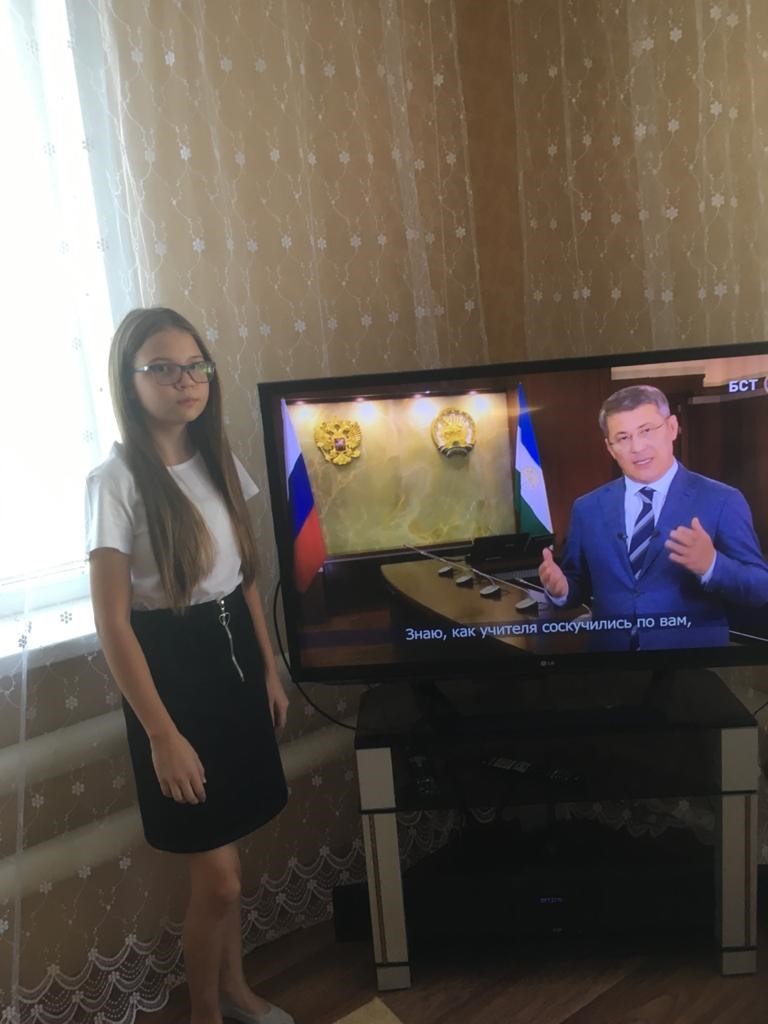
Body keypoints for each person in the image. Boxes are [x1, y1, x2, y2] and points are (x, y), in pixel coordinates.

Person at [86, 307, 294, 1024]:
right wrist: (162, 735)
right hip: (171, 683)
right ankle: (206, 1013)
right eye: (164, 368)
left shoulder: (217, 458)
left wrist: (269, 670)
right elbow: (113, 623)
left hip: (234, 667)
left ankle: (235, 993)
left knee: (231, 862)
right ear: (129, 381)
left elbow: (245, 580)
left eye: (196, 365)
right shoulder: (113, 481)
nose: (186, 381)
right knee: (220, 880)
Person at [538, 384, 768, 650]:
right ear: (610, 448)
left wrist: (712, 565)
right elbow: (577, 582)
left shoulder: (722, 500)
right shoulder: (587, 508)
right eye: (623, 437)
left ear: (672, 428)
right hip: (610, 661)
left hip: (692, 662)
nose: (637, 447)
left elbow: (760, 587)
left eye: (646, 430)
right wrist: (561, 589)